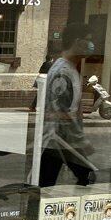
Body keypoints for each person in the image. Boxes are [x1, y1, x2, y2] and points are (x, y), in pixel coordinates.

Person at [39, 22, 97, 187]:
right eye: (88, 40)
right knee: (87, 177)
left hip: (60, 142)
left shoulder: (69, 69)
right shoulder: (63, 72)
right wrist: (81, 141)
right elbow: (60, 113)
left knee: (45, 186)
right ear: (77, 42)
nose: (91, 45)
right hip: (61, 141)